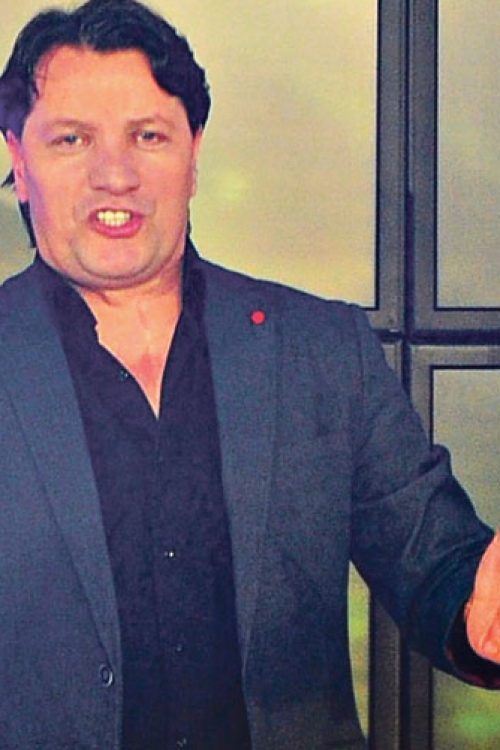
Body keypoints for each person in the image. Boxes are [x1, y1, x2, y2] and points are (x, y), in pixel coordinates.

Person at [0, 0, 498, 748]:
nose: (115, 174)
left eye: (148, 135)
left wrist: (478, 620)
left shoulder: (321, 350)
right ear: (18, 159)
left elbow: (436, 565)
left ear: (194, 153)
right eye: (72, 139)